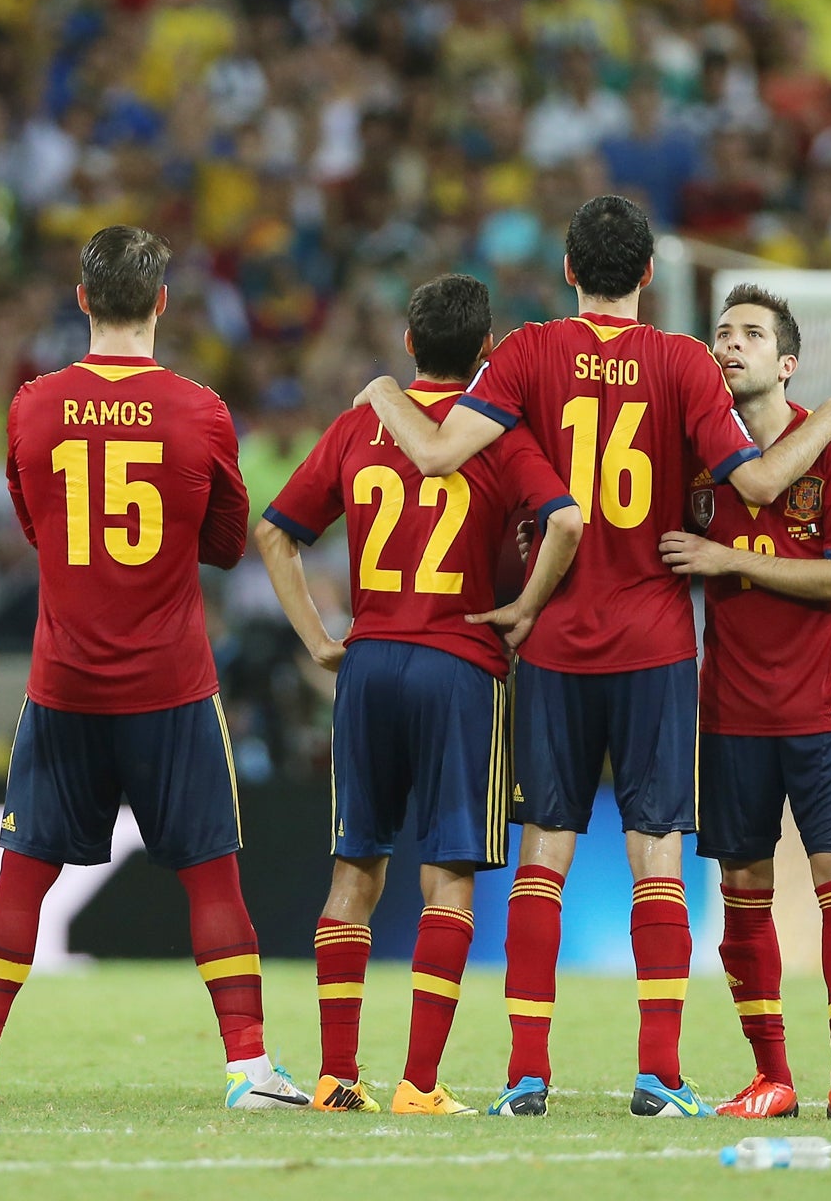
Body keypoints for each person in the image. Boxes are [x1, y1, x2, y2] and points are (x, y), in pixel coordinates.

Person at [358, 195, 831, 1117]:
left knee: (543, 858)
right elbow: (754, 481)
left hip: (552, 643)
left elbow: (436, 457)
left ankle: (526, 1076)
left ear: (567, 272)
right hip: (656, 646)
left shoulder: (524, 354)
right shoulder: (683, 363)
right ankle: (660, 1076)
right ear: (646, 276)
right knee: (657, 863)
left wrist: (385, 394)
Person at [0, 225, 305, 1113]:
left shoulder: (32, 405)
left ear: (84, 300)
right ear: (163, 303)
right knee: (213, 876)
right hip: (172, 685)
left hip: (64, 686)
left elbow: (35, 527)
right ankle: (248, 1072)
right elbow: (224, 547)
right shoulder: (201, 410)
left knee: (23, 876)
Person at [257, 273, 584, 1115]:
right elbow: (564, 521)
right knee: (448, 881)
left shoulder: (365, 420)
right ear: (486, 352)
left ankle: (334, 1077)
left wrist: (322, 641)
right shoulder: (499, 434)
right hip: (459, 667)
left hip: (368, 667)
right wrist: (525, 608)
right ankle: (420, 1085)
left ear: (408, 344)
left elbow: (275, 531)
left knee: (354, 870)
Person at [657, 285, 831, 1123]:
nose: (730, 345)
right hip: (729, 714)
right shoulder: (695, 455)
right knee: (742, 891)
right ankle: (773, 1078)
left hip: (829, 713)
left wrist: (730, 561)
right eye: (722, 333)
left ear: (786, 362)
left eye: (751, 334)